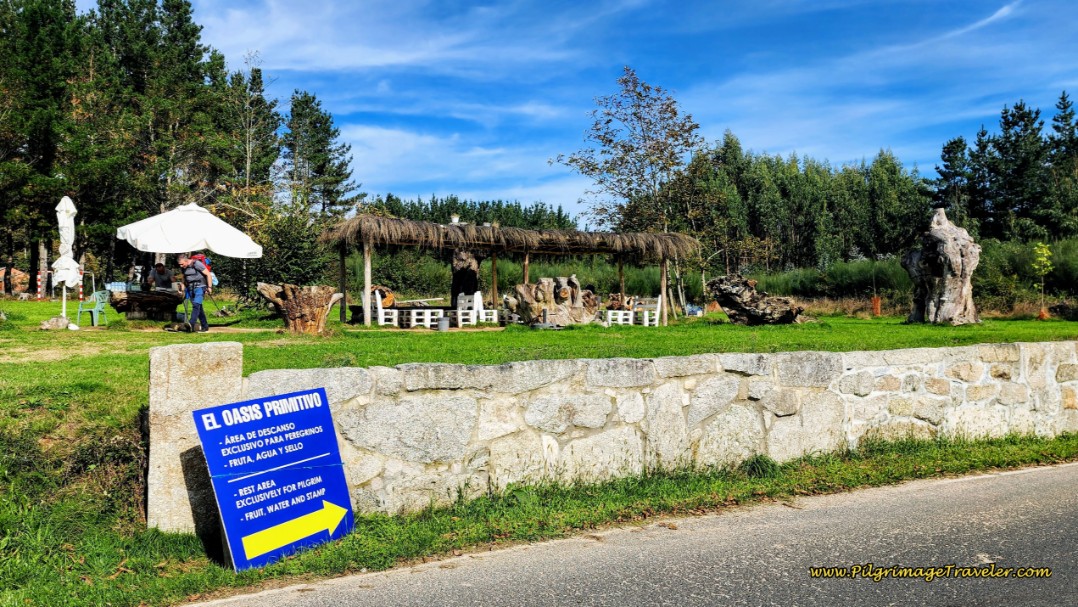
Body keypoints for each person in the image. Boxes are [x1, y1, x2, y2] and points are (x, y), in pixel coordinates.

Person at [178, 253, 212, 332]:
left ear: (186, 261)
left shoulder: (197, 264)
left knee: (196, 305)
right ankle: (205, 326)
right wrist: (182, 288)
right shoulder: (184, 267)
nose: (181, 266)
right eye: (179, 264)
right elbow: (184, 278)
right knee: (199, 308)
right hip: (190, 288)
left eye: (182, 264)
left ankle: (191, 323)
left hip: (200, 287)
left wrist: (209, 287)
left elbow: (208, 274)